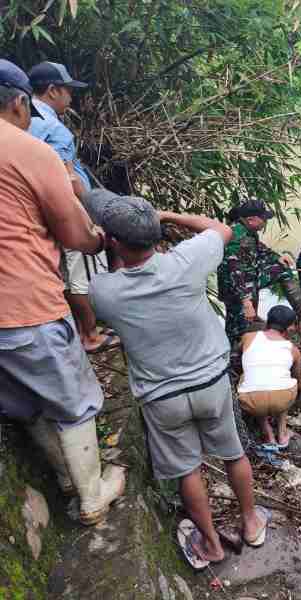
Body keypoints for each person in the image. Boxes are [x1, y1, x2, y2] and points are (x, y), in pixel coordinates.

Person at [86, 190, 267, 567]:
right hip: (210, 384)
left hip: (162, 397)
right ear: (155, 236)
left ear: (115, 241)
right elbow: (220, 228)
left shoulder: (104, 291)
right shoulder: (187, 262)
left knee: (188, 469)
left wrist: (105, 244)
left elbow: (106, 286)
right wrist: (167, 215)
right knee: (234, 453)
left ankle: (212, 545)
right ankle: (251, 523)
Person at [0, 60, 125, 526]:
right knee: (75, 403)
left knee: (27, 405)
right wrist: (98, 239)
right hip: (26, 306)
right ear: (19, 102)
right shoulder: (30, 150)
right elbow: (74, 234)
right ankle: (93, 495)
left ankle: (69, 477)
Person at [27, 61, 119, 354]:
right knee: (83, 274)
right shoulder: (52, 126)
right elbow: (66, 179)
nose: (71, 97)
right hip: (67, 208)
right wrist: (88, 212)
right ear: (53, 90)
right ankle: (90, 335)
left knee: (66, 273)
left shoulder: (23, 119)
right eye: (68, 91)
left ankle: (81, 329)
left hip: (39, 211)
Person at [217, 198, 301, 374]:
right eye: (263, 218)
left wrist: (277, 257)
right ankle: (233, 366)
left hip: (249, 281)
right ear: (251, 219)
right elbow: (234, 271)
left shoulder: (249, 232)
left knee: (281, 269)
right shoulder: (237, 237)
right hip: (237, 290)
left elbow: (260, 248)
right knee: (239, 327)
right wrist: (246, 302)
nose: (265, 222)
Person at [238, 306, 301, 447]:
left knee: (247, 377)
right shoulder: (293, 350)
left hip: (250, 401)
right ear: (290, 328)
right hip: (282, 399)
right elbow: (297, 379)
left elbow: (238, 353)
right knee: (288, 381)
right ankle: (282, 434)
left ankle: (267, 433)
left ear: (268, 322)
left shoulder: (248, 337)